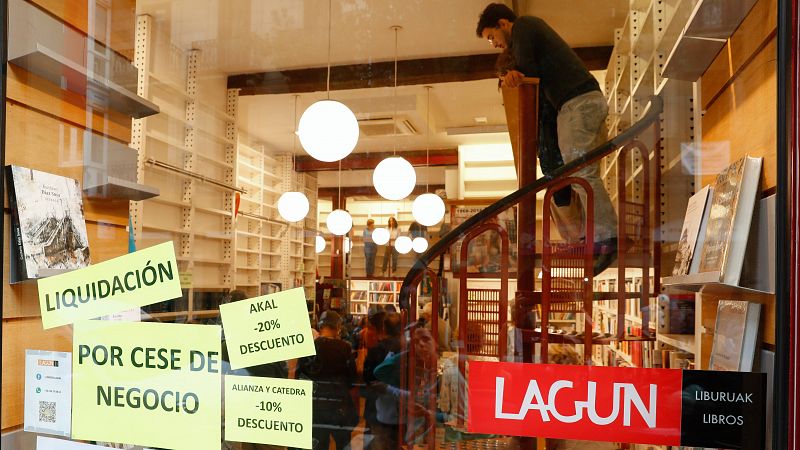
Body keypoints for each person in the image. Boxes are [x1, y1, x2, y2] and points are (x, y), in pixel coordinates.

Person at [476, 3, 618, 275]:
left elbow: (529, 72)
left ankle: (606, 240)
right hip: (578, 102)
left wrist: (514, 75)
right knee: (582, 175)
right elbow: (529, 72)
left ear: (503, 23)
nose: (494, 43)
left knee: (583, 175)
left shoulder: (525, 26)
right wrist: (510, 74)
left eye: (492, 36)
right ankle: (598, 238)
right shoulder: (529, 33)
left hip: (577, 102)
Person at [297, 310, 357, 450]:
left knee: (319, 443)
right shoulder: (344, 348)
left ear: (320, 326)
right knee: (343, 443)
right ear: (338, 327)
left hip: (315, 404)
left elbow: (300, 377)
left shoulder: (308, 347)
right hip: (339, 403)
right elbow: (351, 379)